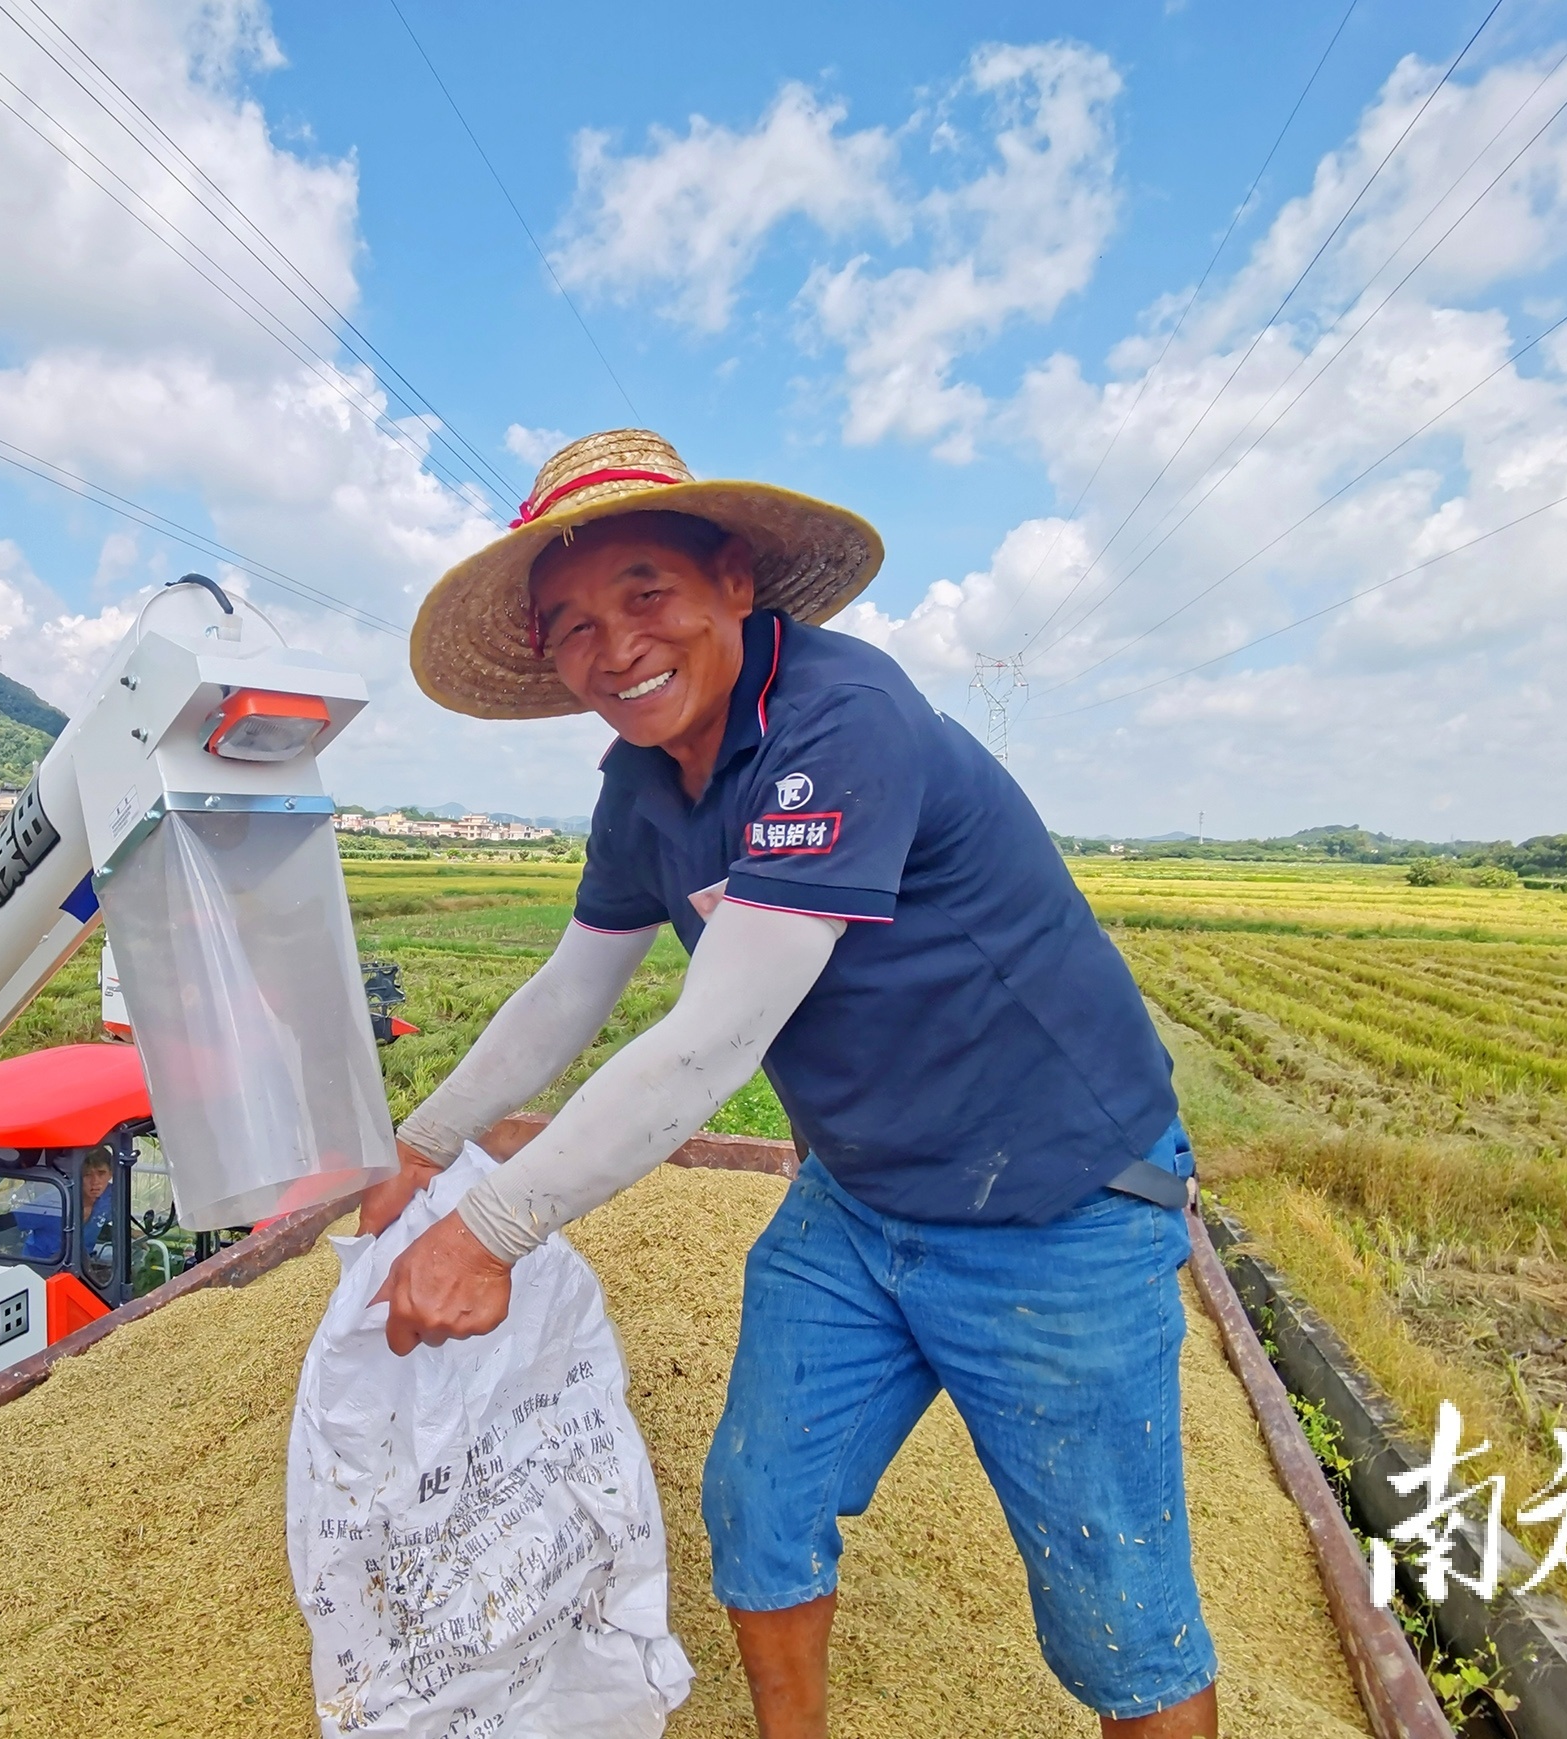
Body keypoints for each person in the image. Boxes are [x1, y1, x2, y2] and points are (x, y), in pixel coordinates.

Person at [363, 430, 1220, 1739]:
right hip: (862, 1199)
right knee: (762, 1507)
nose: (617, 647)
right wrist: (426, 1142)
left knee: (1118, 1615)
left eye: (646, 593)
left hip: (1057, 1200)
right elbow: (572, 988)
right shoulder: (641, 783)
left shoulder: (842, 719)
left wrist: (491, 1228)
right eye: (573, 625)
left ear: (732, 581)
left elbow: (712, 1039)